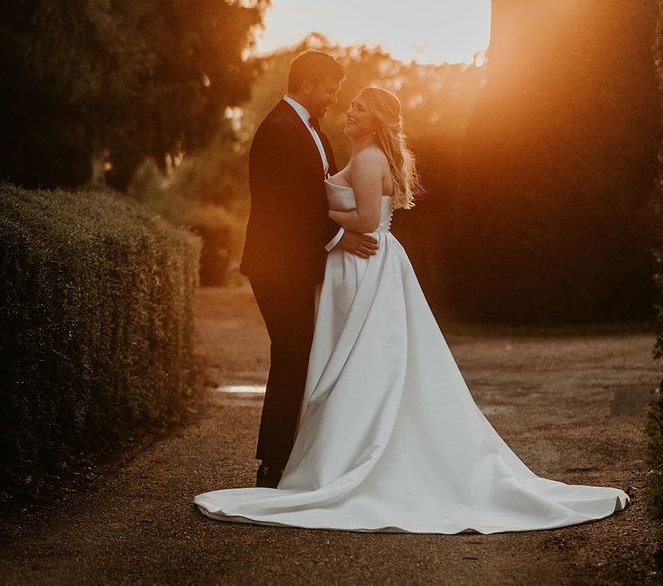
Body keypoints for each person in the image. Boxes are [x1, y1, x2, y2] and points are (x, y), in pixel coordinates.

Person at [195, 86, 629, 533]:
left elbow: (365, 220)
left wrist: (321, 218)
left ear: (377, 120)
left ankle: (352, 454)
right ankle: (345, 446)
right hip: (362, 264)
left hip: (362, 263)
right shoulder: (365, 154)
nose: (350, 113)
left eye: (360, 109)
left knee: (361, 358)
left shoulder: (367, 160)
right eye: (352, 106)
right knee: (361, 357)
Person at [238, 50, 378, 489]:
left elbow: (321, 193)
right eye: (329, 90)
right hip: (278, 266)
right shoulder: (280, 130)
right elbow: (289, 205)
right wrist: (340, 237)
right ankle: (273, 465)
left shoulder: (310, 129)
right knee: (293, 354)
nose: (333, 99)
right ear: (306, 85)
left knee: (301, 355)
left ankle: (291, 457)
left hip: (299, 263)